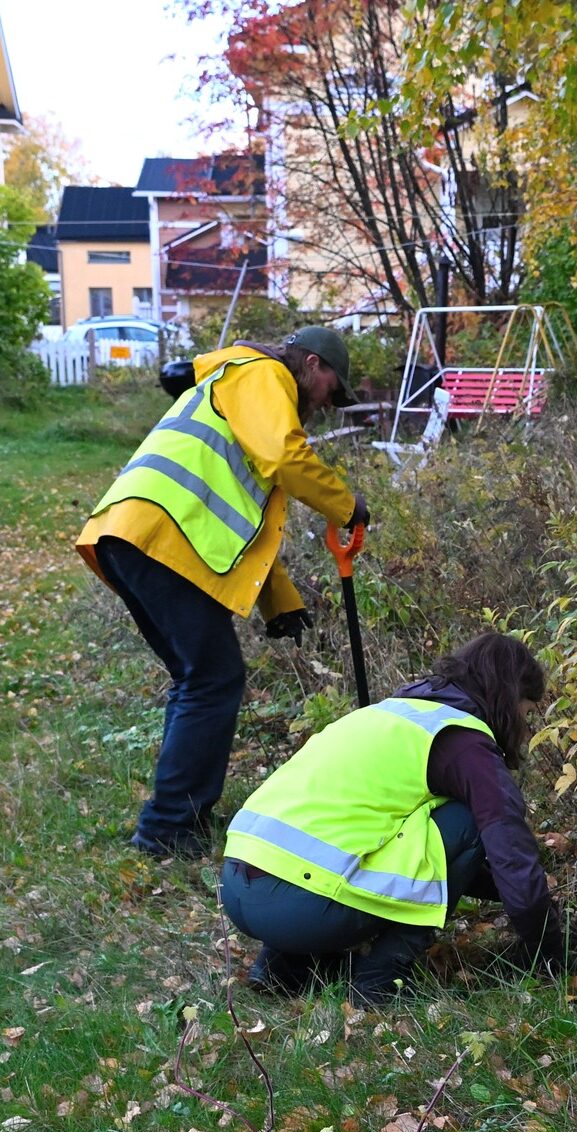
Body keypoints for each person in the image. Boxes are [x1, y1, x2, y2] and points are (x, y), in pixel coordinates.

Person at [76, 326, 369, 858]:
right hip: (162, 536)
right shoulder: (265, 375)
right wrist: (346, 505)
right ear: (310, 363)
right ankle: (169, 829)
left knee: (198, 678)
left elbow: (246, 520)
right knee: (212, 679)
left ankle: (171, 821)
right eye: (333, 385)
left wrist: (282, 604)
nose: (329, 401)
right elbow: (286, 459)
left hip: (137, 535)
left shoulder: (246, 390)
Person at [218, 630, 577, 1006]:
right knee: (467, 820)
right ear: (508, 699)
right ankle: (380, 979)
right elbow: (509, 855)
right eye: (526, 712)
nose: (525, 728)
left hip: (236, 887)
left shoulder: (388, 713)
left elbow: (436, 859)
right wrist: (554, 946)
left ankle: (282, 966)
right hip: (300, 908)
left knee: (395, 833)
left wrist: (504, 893)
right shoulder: (464, 744)